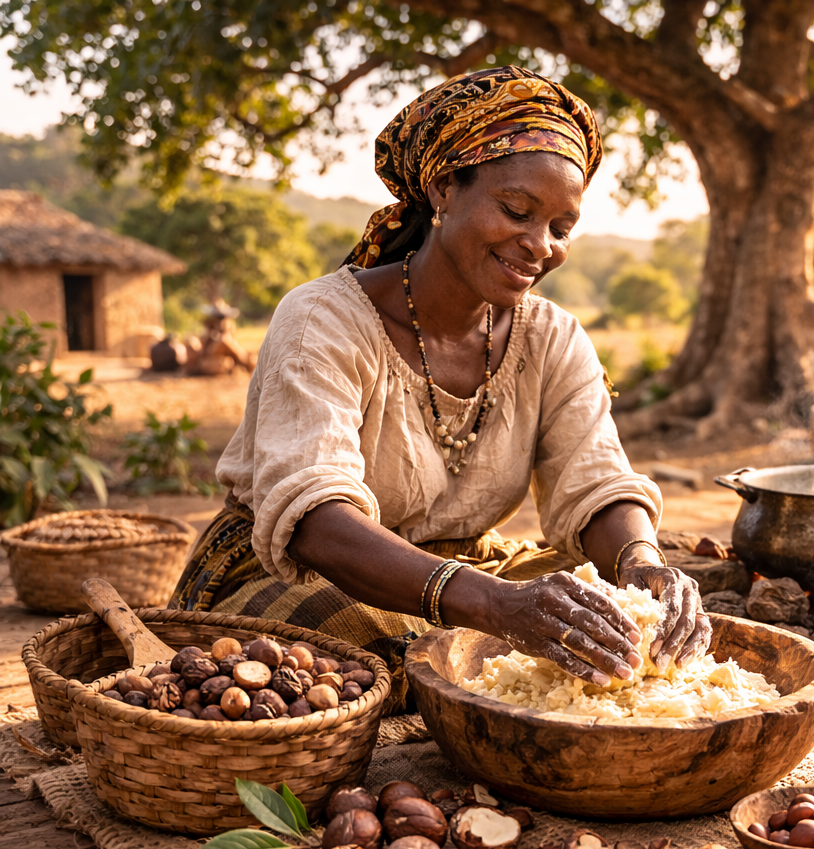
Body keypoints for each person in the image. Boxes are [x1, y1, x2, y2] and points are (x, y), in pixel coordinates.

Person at [171, 66, 710, 710]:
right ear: (443, 188)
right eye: (517, 211)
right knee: (373, 665)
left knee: (622, 622)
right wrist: (495, 606)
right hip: (306, 576)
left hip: (470, 573)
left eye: (561, 228)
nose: (539, 245)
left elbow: (595, 486)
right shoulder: (325, 318)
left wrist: (640, 564)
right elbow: (316, 522)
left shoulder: (552, 338)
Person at [186, 300, 256, 375]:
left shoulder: (227, 335)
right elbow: (202, 351)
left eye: (221, 319)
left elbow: (237, 351)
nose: (220, 323)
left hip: (227, 358)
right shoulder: (208, 333)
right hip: (213, 359)